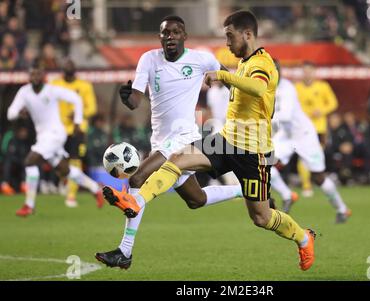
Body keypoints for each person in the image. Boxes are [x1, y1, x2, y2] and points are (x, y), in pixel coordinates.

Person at [101, 11, 317, 271]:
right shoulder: (245, 63)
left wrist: (223, 76)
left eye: (229, 36)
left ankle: (303, 237)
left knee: (261, 217)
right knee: (179, 161)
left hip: (254, 152)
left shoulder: (263, 63)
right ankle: (136, 201)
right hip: (226, 139)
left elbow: (258, 89)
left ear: (247, 34)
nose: (226, 43)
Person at [95, 16, 243, 269]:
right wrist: (126, 97)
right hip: (160, 140)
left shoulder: (202, 59)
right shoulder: (149, 59)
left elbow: (231, 82)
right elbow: (135, 101)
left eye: (176, 32)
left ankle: (125, 251)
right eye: (166, 33)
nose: (170, 37)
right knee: (195, 200)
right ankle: (246, 190)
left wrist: (237, 110)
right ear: (160, 37)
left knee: (136, 178)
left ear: (184, 36)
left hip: (185, 136)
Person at [7, 61, 103, 217]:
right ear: (29, 76)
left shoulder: (52, 90)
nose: (35, 76)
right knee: (64, 169)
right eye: (32, 73)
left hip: (56, 133)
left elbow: (76, 99)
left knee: (30, 161)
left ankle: (29, 205)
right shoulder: (24, 92)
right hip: (43, 137)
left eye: (38, 73)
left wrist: (78, 121)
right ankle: (95, 189)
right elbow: (10, 113)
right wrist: (19, 112)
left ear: (44, 76)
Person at [270, 59, 351, 223]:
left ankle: (342, 209)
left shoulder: (288, 89)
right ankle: (288, 195)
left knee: (318, 177)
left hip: (305, 135)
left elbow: (284, 116)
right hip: (286, 136)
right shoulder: (266, 87)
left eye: (276, 70)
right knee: (263, 163)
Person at [51, 58, 100, 208]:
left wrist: (79, 114)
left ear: (75, 69)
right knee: (58, 162)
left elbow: (92, 108)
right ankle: (63, 181)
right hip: (57, 130)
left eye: (71, 65)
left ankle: (71, 195)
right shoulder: (54, 85)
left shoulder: (84, 86)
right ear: (62, 69)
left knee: (75, 161)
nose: (69, 67)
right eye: (66, 65)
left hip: (77, 130)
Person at [295, 61, 338, 197]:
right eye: (305, 71)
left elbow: (333, 103)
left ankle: (317, 181)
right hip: (302, 129)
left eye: (309, 71)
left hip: (319, 128)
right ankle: (306, 186)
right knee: (303, 157)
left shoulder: (323, 86)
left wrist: (322, 110)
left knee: (316, 157)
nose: (307, 74)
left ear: (314, 72)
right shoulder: (296, 88)